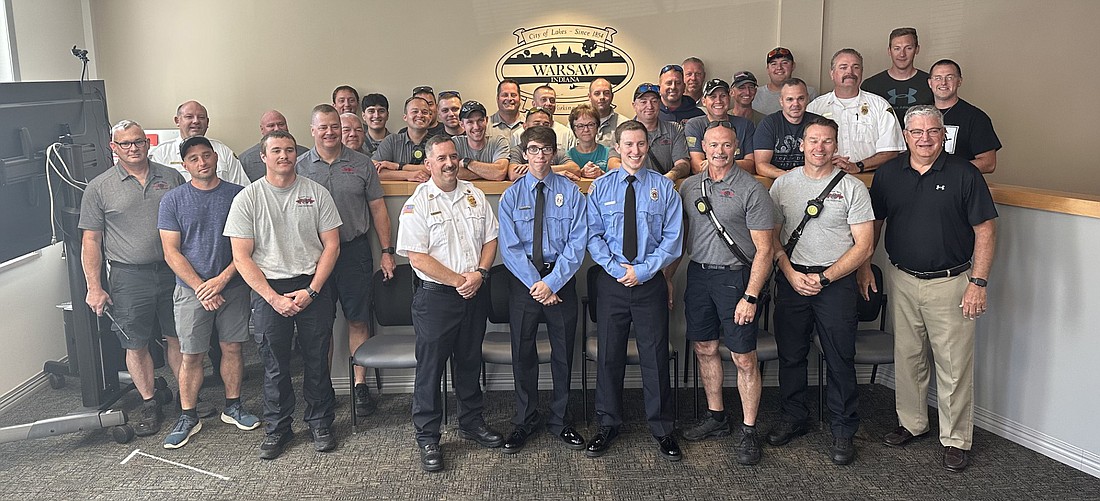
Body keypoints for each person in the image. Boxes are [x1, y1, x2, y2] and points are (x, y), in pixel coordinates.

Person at [864, 105, 997, 472]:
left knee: (953, 365)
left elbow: (985, 232)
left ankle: (956, 439)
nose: (925, 139)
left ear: (943, 135)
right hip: (902, 278)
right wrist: (864, 267)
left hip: (952, 283)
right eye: (917, 132)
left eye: (932, 132)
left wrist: (979, 284)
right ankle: (912, 423)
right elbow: (874, 225)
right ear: (906, 136)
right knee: (908, 356)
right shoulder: (889, 173)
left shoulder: (965, 174)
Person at [224, 130, 343, 460]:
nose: (284, 156)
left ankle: (320, 423)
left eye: (289, 150)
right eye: (276, 150)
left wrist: (312, 290)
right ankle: (278, 428)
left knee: (316, 359)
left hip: (312, 284)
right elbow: (241, 257)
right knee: (274, 366)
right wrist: (273, 298)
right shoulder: (248, 199)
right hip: (267, 288)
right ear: (263, 156)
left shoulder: (316, 193)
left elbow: (332, 245)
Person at [766, 116, 874, 465]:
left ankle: (843, 429)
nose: (819, 147)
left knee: (840, 357)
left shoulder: (853, 188)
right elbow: (773, 238)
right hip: (792, 280)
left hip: (836, 284)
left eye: (827, 141)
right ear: (801, 144)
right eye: (812, 140)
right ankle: (794, 416)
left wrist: (826, 277)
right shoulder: (783, 185)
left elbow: (864, 247)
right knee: (791, 354)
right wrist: (790, 272)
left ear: (836, 146)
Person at [396, 135, 504, 472]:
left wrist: (481, 272)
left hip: (475, 292)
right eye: (441, 158)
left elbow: (491, 238)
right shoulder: (417, 203)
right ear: (428, 164)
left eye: (453, 157)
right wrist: (460, 280)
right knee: (430, 369)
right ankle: (428, 436)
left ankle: (471, 422)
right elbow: (417, 257)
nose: (448, 163)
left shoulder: (475, 195)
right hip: (437, 299)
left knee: (469, 362)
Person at [672, 123, 774, 466]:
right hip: (699, 276)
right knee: (705, 348)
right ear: (703, 146)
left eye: (726, 145)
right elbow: (681, 242)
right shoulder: (688, 187)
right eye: (713, 145)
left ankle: (749, 429)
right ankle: (716, 417)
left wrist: (751, 296)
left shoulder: (752, 190)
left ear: (737, 148)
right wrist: (668, 279)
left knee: (744, 357)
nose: (719, 151)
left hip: (736, 281)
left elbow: (764, 250)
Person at [585, 120, 684, 461]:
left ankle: (662, 428)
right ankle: (608, 423)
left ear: (648, 145)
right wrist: (617, 270)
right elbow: (593, 236)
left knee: (654, 357)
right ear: (618, 147)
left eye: (641, 144)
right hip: (612, 284)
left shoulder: (664, 188)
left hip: (649, 283)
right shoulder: (600, 188)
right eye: (628, 145)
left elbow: (673, 241)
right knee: (609, 355)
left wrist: (641, 271)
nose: (635, 151)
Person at [80, 119, 185, 438]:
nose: (134, 148)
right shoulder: (99, 187)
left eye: (139, 141)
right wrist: (94, 287)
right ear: (114, 148)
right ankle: (150, 402)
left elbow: (188, 223)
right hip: (128, 277)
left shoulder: (171, 177)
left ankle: (186, 401)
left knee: (178, 338)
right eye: (125, 144)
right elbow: (91, 241)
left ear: (148, 143)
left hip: (172, 271)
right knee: (136, 342)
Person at [158, 136, 260, 449]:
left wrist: (221, 280)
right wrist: (202, 287)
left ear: (215, 157)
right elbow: (171, 252)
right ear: (185, 165)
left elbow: (250, 244)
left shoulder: (239, 195)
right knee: (192, 355)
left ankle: (233, 406)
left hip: (233, 285)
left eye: (206, 156)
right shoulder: (172, 200)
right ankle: (189, 416)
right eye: (194, 159)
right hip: (191, 290)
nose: (202, 163)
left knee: (232, 348)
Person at [297, 105, 396, 419]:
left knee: (357, 319)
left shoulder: (362, 163)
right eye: (323, 127)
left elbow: (379, 209)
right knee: (318, 327)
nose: (330, 132)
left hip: (354, 251)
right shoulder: (299, 167)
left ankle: (359, 385)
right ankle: (321, 389)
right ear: (312, 130)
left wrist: (386, 251)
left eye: (335, 127)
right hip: (312, 257)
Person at [497, 125, 589, 454]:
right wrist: (537, 285)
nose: (539, 156)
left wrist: (551, 283)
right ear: (524, 153)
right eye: (533, 149)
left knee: (563, 354)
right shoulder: (511, 196)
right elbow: (509, 248)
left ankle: (561, 421)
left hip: (560, 281)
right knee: (523, 354)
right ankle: (524, 420)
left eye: (545, 150)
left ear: (554, 153)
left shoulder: (571, 193)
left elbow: (578, 245)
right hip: (524, 284)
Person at [807, 48, 905, 174]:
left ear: (862, 72)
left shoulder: (880, 106)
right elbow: (805, 148)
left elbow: (891, 150)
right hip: (825, 179)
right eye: (843, 67)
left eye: (856, 67)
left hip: (870, 181)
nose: (850, 72)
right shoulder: (815, 108)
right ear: (832, 73)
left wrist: (858, 166)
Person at [149, 100, 249, 186]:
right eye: (189, 117)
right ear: (177, 121)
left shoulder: (223, 151)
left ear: (207, 122)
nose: (196, 121)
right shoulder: (161, 154)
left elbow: (242, 189)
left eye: (201, 117)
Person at [929, 59, 1001, 174]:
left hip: (959, 186)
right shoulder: (919, 116)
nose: (943, 83)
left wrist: (948, 172)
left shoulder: (976, 118)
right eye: (937, 78)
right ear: (930, 83)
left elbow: (989, 163)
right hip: (922, 185)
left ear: (959, 81)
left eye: (950, 77)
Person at [615, 83, 690, 180]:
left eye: (654, 101)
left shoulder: (675, 129)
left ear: (660, 104)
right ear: (634, 105)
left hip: (664, 187)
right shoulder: (623, 130)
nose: (649, 106)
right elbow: (613, 162)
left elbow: (683, 164)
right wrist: (636, 177)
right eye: (643, 102)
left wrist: (666, 179)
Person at [862, 28, 933, 126]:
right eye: (897, 48)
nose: (902, 54)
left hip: (922, 140)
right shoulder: (870, 85)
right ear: (889, 51)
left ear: (917, 49)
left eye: (908, 48)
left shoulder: (931, 83)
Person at [753, 78, 823, 179]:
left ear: (807, 98)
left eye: (801, 98)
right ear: (781, 101)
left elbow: (827, 160)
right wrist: (788, 176)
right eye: (790, 99)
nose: (795, 104)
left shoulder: (820, 124)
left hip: (814, 179)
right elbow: (761, 165)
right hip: (778, 182)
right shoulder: (768, 124)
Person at [683, 78, 756, 174]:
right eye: (713, 97)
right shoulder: (694, 125)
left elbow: (751, 165)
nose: (718, 101)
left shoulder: (745, 125)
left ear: (729, 99)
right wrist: (734, 163)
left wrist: (717, 163)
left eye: (723, 96)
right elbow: (697, 167)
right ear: (704, 101)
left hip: (739, 182)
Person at [508, 107, 580, 181]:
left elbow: (575, 169)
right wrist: (555, 172)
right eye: (536, 124)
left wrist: (535, 168)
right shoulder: (518, 150)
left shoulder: (554, 150)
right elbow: (513, 174)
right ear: (525, 126)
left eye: (546, 124)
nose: (541, 127)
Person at [373, 96, 434, 182]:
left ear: (430, 117)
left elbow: (442, 169)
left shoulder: (438, 142)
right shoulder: (391, 141)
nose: (420, 115)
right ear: (405, 117)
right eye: (415, 111)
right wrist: (408, 175)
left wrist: (398, 166)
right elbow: (373, 171)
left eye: (425, 112)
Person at [239, 110, 309, 182]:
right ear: (262, 129)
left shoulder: (304, 154)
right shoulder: (246, 159)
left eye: (281, 124)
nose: (277, 128)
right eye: (271, 126)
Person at [509, 85, 576, 154]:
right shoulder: (518, 134)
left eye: (552, 100)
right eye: (544, 100)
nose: (548, 103)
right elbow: (514, 160)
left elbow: (571, 161)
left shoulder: (566, 133)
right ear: (534, 104)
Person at [451, 100, 509, 181]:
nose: (476, 127)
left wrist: (467, 162)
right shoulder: (454, 143)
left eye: (480, 120)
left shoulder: (499, 141)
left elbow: (499, 173)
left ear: (487, 120)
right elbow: (451, 173)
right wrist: (488, 173)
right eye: (470, 122)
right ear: (462, 125)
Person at [753, 47, 818, 115]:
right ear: (768, 69)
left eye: (784, 63)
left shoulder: (810, 93)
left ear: (793, 66)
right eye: (774, 64)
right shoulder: (755, 95)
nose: (779, 67)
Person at [567, 104, 617, 178]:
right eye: (580, 126)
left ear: (597, 127)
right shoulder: (568, 156)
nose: (586, 130)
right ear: (574, 129)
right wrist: (580, 173)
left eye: (590, 125)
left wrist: (602, 174)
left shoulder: (609, 153)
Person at [588, 78, 624, 148]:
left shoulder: (624, 124)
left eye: (606, 93)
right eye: (597, 93)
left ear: (612, 96)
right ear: (589, 97)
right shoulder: (577, 124)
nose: (602, 97)